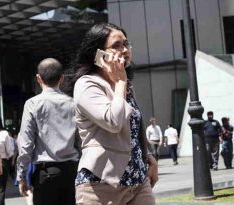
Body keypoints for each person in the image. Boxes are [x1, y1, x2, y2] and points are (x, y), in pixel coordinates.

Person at [68, 23, 158, 205]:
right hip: (101, 184)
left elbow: (132, 131)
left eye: (126, 44)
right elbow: (114, 122)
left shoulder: (122, 86)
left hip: (138, 181)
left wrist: (148, 157)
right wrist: (120, 82)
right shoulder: (87, 85)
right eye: (116, 45)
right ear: (98, 53)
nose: (124, 50)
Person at [17, 58, 80, 205]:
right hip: (72, 171)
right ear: (62, 78)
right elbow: (82, 139)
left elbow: (26, 144)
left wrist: (21, 176)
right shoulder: (73, 103)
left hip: (45, 174)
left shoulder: (32, 104)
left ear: (38, 78)